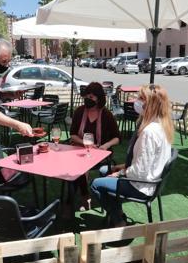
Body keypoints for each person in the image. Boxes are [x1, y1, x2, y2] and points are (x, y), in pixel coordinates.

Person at [90, 84, 173, 227]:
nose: (136, 101)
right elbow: (144, 163)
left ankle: (118, 219)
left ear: (150, 104)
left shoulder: (149, 132)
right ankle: (117, 210)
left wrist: (119, 173)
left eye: (140, 98)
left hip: (142, 185)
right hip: (151, 180)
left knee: (95, 184)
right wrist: (119, 168)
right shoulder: (162, 125)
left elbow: (140, 172)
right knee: (105, 170)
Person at [69, 82, 121, 209]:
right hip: (81, 150)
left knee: (79, 167)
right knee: (77, 166)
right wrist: (85, 143)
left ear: (99, 98)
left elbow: (117, 138)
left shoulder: (106, 114)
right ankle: (82, 196)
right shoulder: (80, 111)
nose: (88, 99)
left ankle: (74, 200)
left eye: (91, 97)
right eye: (87, 96)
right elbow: (73, 135)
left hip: (101, 152)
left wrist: (106, 145)